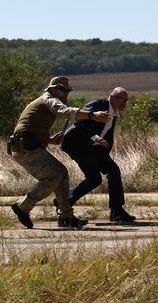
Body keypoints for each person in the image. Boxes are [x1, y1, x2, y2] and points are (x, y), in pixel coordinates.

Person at [9, 76, 109, 229]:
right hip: (26, 148)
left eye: (67, 91)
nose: (66, 94)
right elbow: (64, 111)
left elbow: (30, 128)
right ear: (54, 89)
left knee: (61, 174)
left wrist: (49, 140)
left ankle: (66, 217)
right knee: (54, 175)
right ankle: (23, 207)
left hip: (26, 146)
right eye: (63, 90)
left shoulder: (44, 102)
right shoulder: (49, 99)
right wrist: (91, 115)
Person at [59, 86, 135, 222]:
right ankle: (64, 203)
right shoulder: (96, 105)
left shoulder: (115, 112)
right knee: (94, 179)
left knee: (113, 170)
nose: (121, 102)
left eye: (124, 100)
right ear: (111, 96)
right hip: (77, 144)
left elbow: (108, 134)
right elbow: (79, 122)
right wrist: (95, 137)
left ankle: (116, 211)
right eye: (118, 98)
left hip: (93, 146)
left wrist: (105, 153)